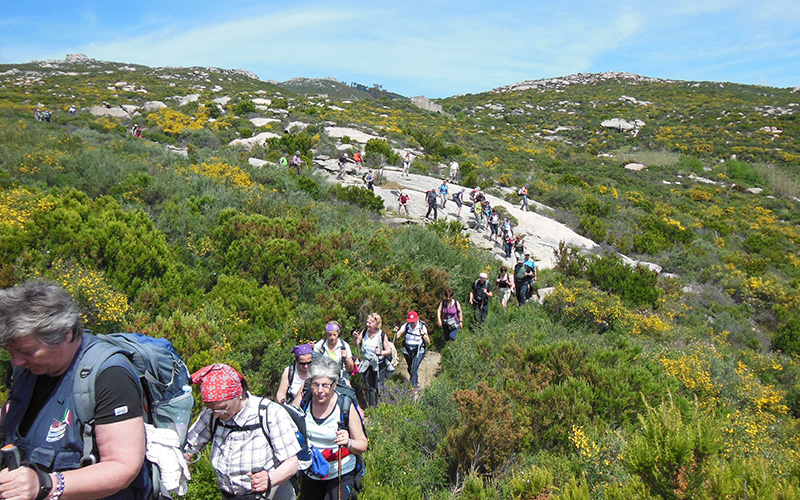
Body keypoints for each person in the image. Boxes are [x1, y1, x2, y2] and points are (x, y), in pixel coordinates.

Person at [0, 280, 147, 500]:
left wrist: (45, 485)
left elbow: (123, 465)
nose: (17, 361)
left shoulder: (109, 375)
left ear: (66, 334)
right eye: (11, 352)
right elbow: (18, 410)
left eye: (27, 351)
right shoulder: (28, 369)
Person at [184, 364, 300, 500]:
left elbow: (292, 463)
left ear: (240, 394)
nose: (216, 415)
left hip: (268, 495)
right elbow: (189, 447)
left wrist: (268, 479)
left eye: (222, 408)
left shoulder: (269, 413)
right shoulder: (211, 414)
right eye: (211, 409)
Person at [300, 357, 368, 500]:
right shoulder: (303, 403)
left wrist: (348, 442)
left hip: (340, 473)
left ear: (335, 384)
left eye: (325, 385)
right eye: (315, 384)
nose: (319, 390)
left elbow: (362, 443)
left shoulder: (344, 406)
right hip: (311, 472)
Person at [352, 313, 392, 407]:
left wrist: (381, 352)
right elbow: (356, 344)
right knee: (368, 386)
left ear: (376, 324)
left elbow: (388, 351)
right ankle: (371, 407)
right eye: (367, 322)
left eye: (370, 323)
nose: (367, 324)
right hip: (367, 364)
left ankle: (381, 405)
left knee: (378, 386)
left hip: (379, 364)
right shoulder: (365, 332)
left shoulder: (382, 334)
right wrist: (355, 337)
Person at [393, 311, 430, 391]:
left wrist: (423, 335)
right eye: (411, 322)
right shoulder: (406, 325)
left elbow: (428, 341)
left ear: (417, 319)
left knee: (414, 367)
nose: (412, 324)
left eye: (413, 322)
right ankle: (415, 380)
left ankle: (413, 386)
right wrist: (396, 332)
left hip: (419, 351)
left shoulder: (422, 327)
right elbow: (397, 336)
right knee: (410, 368)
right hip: (407, 350)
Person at [314, 321, 355, 385]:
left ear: (338, 333)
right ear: (326, 335)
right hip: (324, 374)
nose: (332, 338)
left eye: (334, 335)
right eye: (330, 335)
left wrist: (346, 358)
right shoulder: (320, 345)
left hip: (341, 375)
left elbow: (351, 369)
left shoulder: (344, 345)